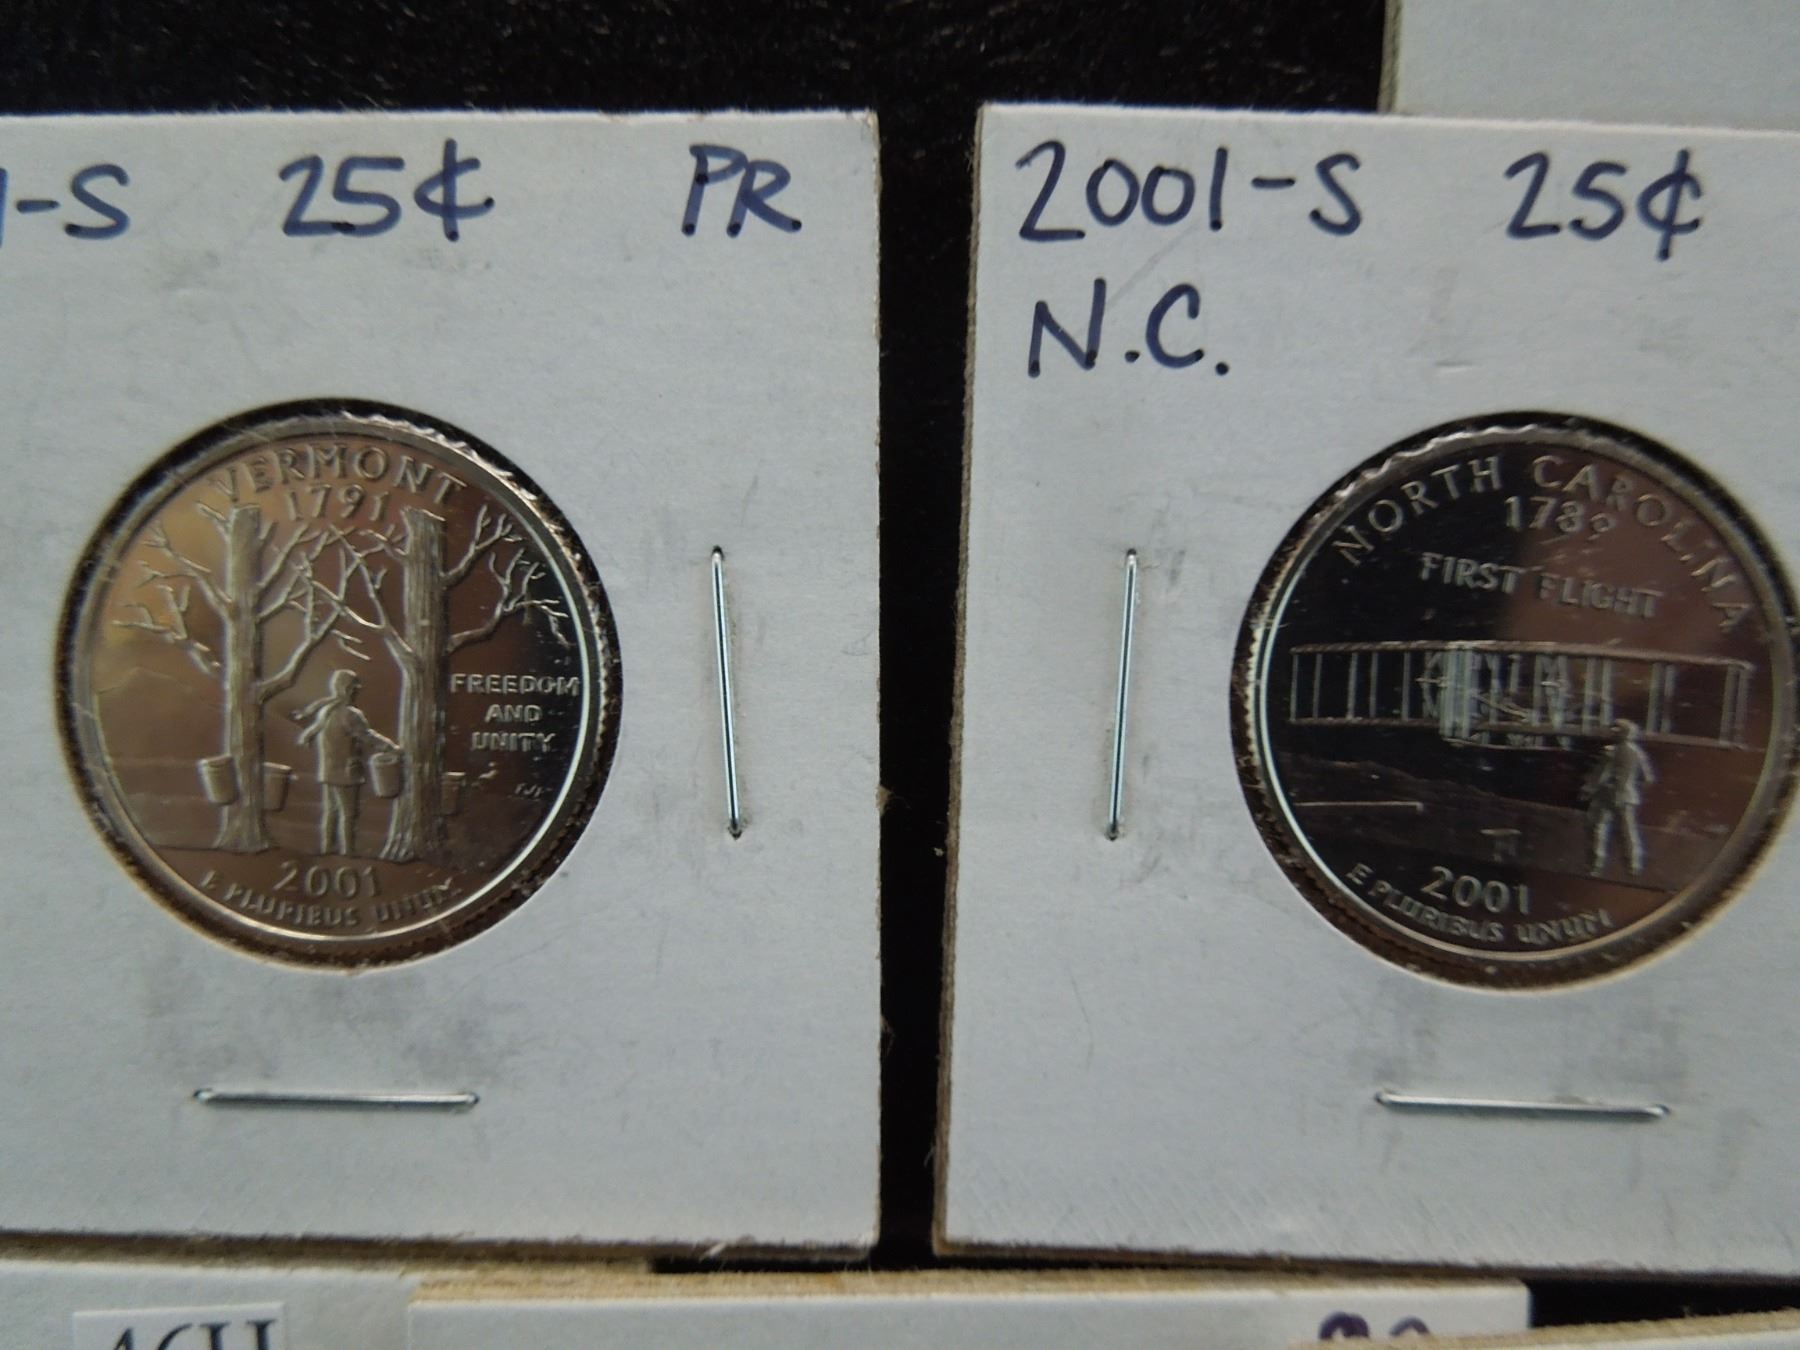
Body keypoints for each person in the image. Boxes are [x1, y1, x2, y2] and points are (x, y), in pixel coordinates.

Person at [292, 669, 398, 856]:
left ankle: (327, 848)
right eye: (355, 689)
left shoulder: (326, 711)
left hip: (328, 770)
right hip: (346, 772)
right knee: (349, 813)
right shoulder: (350, 714)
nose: (356, 692)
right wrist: (391, 747)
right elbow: (367, 736)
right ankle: (348, 851)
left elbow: (314, 732)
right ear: (348, 690)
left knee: (331, 811)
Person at [1583, 719, 1656, 876]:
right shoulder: (1638, 753)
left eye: (1615, 729)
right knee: (1628, 831)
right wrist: (1631, 787)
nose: (1611, 732)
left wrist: (1588, 790)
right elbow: (1648, 778)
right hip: (1628, 796)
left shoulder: (1610, 751)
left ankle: (1595, 865)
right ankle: (1633, 865)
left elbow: (1601, 775)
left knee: (1598, 828)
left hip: (1607, 796)